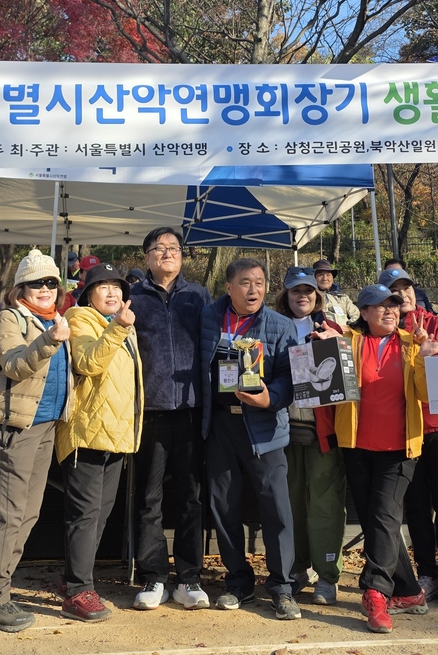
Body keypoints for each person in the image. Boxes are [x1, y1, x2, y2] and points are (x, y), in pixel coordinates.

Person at [0, 249, 73, 633]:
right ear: (20, 289)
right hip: (13, 428)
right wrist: (49, 340)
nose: (45, 289)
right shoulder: (10, 318)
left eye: (51, 282)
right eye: (36, 283)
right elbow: (15, 364)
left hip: (46, 426)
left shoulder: (57, 319)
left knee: (27, 515)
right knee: (9, 516)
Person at [199, 257, 301, 620]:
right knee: (224, 506)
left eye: (259, 282)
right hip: (220, 426)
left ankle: (282, 587)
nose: (253, 289)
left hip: (265, 427)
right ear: (229, 287)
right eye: (245, 282)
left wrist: (270, 398)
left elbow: (291, 377)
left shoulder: (281, 325)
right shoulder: (208, 317)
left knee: (276, 508)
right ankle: (238, 582)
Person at [333, 284, 436, 633]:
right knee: (378, 524)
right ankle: (408, 591)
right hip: (356, 447)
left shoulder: (413, 343)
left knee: (383, 517)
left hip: (399, 451)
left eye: (393, 305)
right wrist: (323, 344)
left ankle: (375, 592)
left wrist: (425, 357)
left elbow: (425, 394)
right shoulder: (347, 341)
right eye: (380, 306)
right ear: (363, 313)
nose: (390, 311)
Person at [128, 228, 212, 610]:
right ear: (146, 256)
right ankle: (154, 577)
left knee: (191, 497)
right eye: (159, 248)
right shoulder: (133, 298)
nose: (167, 254)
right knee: (149, 498)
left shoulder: (199, 296)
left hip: (193, 410)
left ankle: (189, 577)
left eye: (174, 248)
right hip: (150, 411)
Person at [56, 263, 143, 623]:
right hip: (87, 433)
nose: (112, 292)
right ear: (88, 294)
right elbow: (88, 363)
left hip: (116, 434)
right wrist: (118, 328)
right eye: (103, 286)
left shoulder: (124, 325)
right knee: (85, 515)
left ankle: (72, 579)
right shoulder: (79, 318)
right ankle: (78, 591)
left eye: (117, 287)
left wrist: (121, 327)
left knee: (99, 515)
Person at [385, 269, 438, 611]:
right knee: (417, 504)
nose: (402, 295)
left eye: (406, 288)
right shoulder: (387, 330)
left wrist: (433, 349)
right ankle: (427, 573)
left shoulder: (436, 323)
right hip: (409, 427)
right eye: (394, 290)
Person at [272, 266, 346, 606]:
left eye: (308, 291)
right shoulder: (273, 327)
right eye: (295, 291)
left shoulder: (332, 328)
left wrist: (335, 344)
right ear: (285, 295)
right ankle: (297, 568)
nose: (302, 296)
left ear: (317, 296)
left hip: (323, 432)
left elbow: (347, 380)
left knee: (325, 505)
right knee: (289, 505)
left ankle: (327, 575)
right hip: (283, 429)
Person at [312, 259, 359, 327]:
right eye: (320, 275)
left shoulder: (342, 297)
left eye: (328, 275)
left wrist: (349, 327)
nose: (325, 278)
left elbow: (356, 315)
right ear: (314, 278)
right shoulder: (311, 296)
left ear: (332, 278)